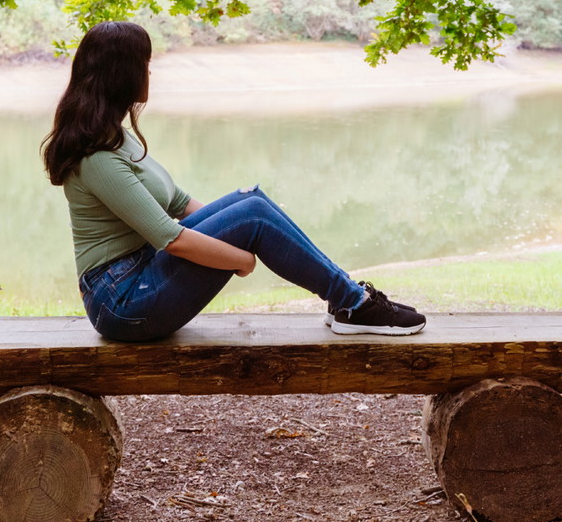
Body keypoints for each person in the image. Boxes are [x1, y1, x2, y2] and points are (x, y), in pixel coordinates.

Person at [42, 21, 426, 342]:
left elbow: (177, 202)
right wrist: (242, 256)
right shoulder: (97, 159)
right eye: (145, 63)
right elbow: (171, 239)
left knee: (251, 201)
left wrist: (238, 227)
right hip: (122, 303)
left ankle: (348, 298)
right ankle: (354, 304)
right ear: (122, 75)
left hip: (139, 275)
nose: (150, 73)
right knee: (254, 217)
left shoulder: (114, 136)